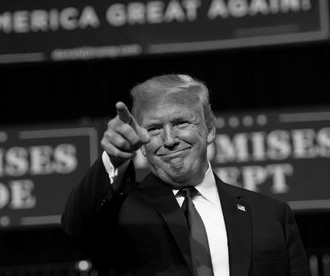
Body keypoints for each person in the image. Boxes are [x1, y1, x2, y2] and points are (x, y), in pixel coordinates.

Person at [61, 74, 311, 276]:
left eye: (181, 123)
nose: (169, 140)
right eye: (154, 128)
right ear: (142, 143)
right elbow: (76, 227)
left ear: (210, 129)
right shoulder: (118, 214)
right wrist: (113, 159)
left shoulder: (271, 215)